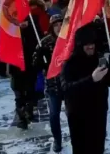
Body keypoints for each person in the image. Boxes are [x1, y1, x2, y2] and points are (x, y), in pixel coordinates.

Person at [61, 24, 110, 154]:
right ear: (79, 45)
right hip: (78, 117)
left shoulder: (98, 60)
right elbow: (67, 90)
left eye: (92, 43)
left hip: (98, 114)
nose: (90, 46)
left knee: (98, 148)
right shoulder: (70, 64)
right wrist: (91, 79)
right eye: (86, 44)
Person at [33, 14, 64, 153]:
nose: (58, 27)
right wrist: (40, 56)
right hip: (52, 85)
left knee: (74, 114)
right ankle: (57, 140)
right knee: (54, 115)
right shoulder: (44, 42)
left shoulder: (69, 39)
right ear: (51, 27)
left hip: (69, 83)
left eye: (60, 24)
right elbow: (35, 64)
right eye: (55, 25)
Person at [9, 13, 44, 130]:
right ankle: (21, 117)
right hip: (16, 67)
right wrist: (2, 66)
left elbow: (39, 42)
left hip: (31, 66)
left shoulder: (33, 25)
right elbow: (5, 47)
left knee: (30, 91)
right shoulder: (11, 26)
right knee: (18, 93)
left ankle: (28, 112)